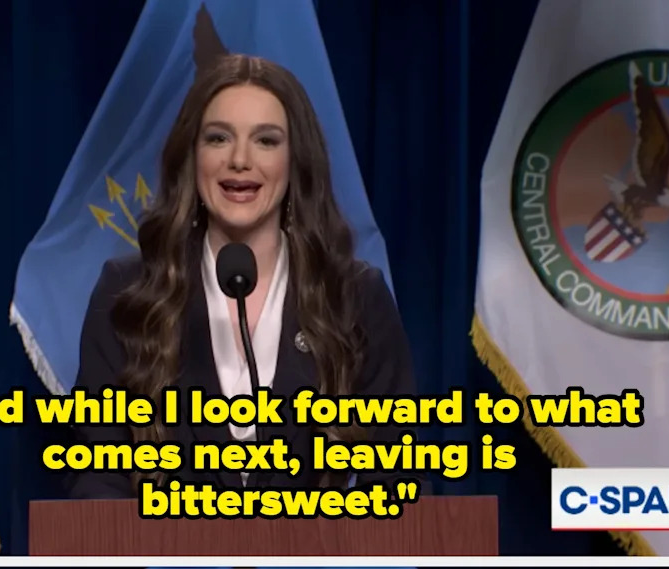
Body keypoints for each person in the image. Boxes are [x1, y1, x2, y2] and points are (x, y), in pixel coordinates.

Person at [68, 54, 423, 500]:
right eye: (218, 138)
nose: (240, 160)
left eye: (266, 141)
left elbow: (398, 480)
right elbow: (97, 474)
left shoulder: (353, 298)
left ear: (296, 161)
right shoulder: (129, 293)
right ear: (191, 156)